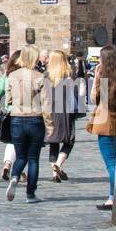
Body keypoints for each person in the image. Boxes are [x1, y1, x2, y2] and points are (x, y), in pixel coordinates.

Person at [85, 45, 116, 211]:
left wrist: (96, 78)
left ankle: (115, 197)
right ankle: (114, 196)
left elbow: (96, 99)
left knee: (112, 164)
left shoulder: (105, 79)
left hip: (106, 123)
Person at [5, 46, 49, 202]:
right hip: (35, 119)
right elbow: (46, 104)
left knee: (21, 156)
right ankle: (30, 194)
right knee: (33, 158)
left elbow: (8, 100)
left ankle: (15, 176)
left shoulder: (12, 76)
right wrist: (50, 126)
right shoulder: (40, 77)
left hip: (16, 119)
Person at [44, 49, 79, 182]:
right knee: (69, 140)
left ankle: (54, 171)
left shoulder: (46, 75)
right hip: (65, 111)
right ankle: (58, 165)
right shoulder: (69, 74)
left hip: (50, 111)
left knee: (53, 141)